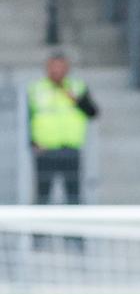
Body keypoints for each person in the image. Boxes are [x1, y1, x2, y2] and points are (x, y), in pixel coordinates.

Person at [28, 54, 99, 205]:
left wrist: (76, 99)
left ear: (67, 69)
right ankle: (39, 229)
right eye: (53, 67)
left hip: (71, 148)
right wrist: (32, 142)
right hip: (45, 149)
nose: (57, 71)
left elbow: (92, 112)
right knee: (43, 195)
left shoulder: (77, 88)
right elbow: (27, 118)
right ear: (47, 69)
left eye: (61, 67)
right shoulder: (36, 89)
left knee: (73, 194)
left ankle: (75, 227)